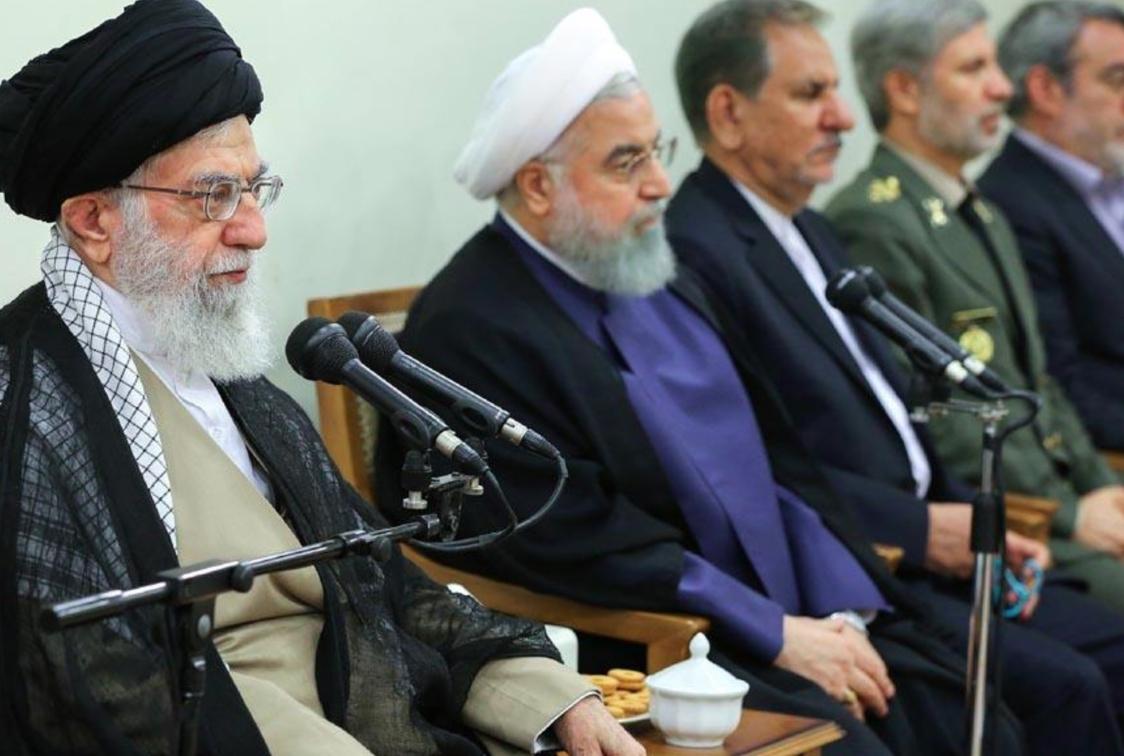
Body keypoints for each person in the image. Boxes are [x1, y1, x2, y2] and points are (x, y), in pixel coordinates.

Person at [378, 8, 1025, 755]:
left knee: (972, 704)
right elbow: (573, 541)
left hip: (764, 610)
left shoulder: (654, 275)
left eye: (657, 151)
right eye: (626, 163)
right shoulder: (471, 329)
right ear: (537, 186)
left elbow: (777, 461)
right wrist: (775, 630)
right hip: (637, 635)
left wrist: (841, 608)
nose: (660, 185)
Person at [0, 2, 642, 755]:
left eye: (255, 189)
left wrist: (550, 697)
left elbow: (385, 580)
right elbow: (84, 689)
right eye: (212, 196)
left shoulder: (224, 369)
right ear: (93, 223)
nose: (254, 229)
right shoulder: (23, 402)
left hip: (367, 706)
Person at [664, 2, 1124, 752]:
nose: (844, 117)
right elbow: (759, 467)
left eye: (835, 91)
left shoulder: (809, 227)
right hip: (859, 569)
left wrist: (974, 517)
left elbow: (909, 408)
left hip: (932, 547)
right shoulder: (700, 250)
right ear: (728, 113)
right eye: (811, 94)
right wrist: (922, 531)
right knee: (1071, 683)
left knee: (1087, 662)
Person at [825, 0, 1124, 616]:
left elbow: (1038, 381)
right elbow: (940, 417)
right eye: (972, 68)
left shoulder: (980, 211)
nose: (1001, 88)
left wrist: (1103, 488)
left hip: (1054, 504)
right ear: (905, 90)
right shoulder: (874, 220)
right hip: (1006, 522)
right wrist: (1070, 514)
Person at [979, 1, 1124, 452]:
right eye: (1117, 80)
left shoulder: (1113, 175)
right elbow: (1061, 386)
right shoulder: (1008, 205)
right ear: (1046, 90)